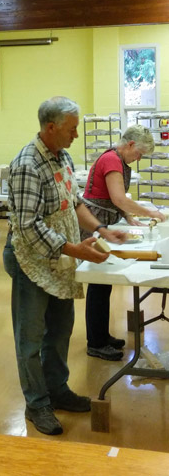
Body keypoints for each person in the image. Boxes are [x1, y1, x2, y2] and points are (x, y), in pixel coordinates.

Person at [2, 96, 127, 436]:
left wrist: (101, 230)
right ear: (51, 127)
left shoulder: (63, 156)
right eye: (71, 129)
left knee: (59, 332)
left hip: (61, 260)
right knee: (30, 339)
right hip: (32, 262)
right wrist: (75, 249)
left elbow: (74, 203)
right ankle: (37, 403)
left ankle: (57, 390)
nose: (75, 135)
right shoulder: (28, 164)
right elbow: (27, 226)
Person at [80, 125, 165, 361]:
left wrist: (130, 217)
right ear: (129, 145)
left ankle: (101, 335)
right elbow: (118, 198)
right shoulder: (111, 160)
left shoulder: (118, 160)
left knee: (104, 283)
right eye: (139, 154)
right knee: (98, 281)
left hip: (107, 223)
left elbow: (116, 199)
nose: (138, 159)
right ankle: (95, 342)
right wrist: (149, 212)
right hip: (96, 224)